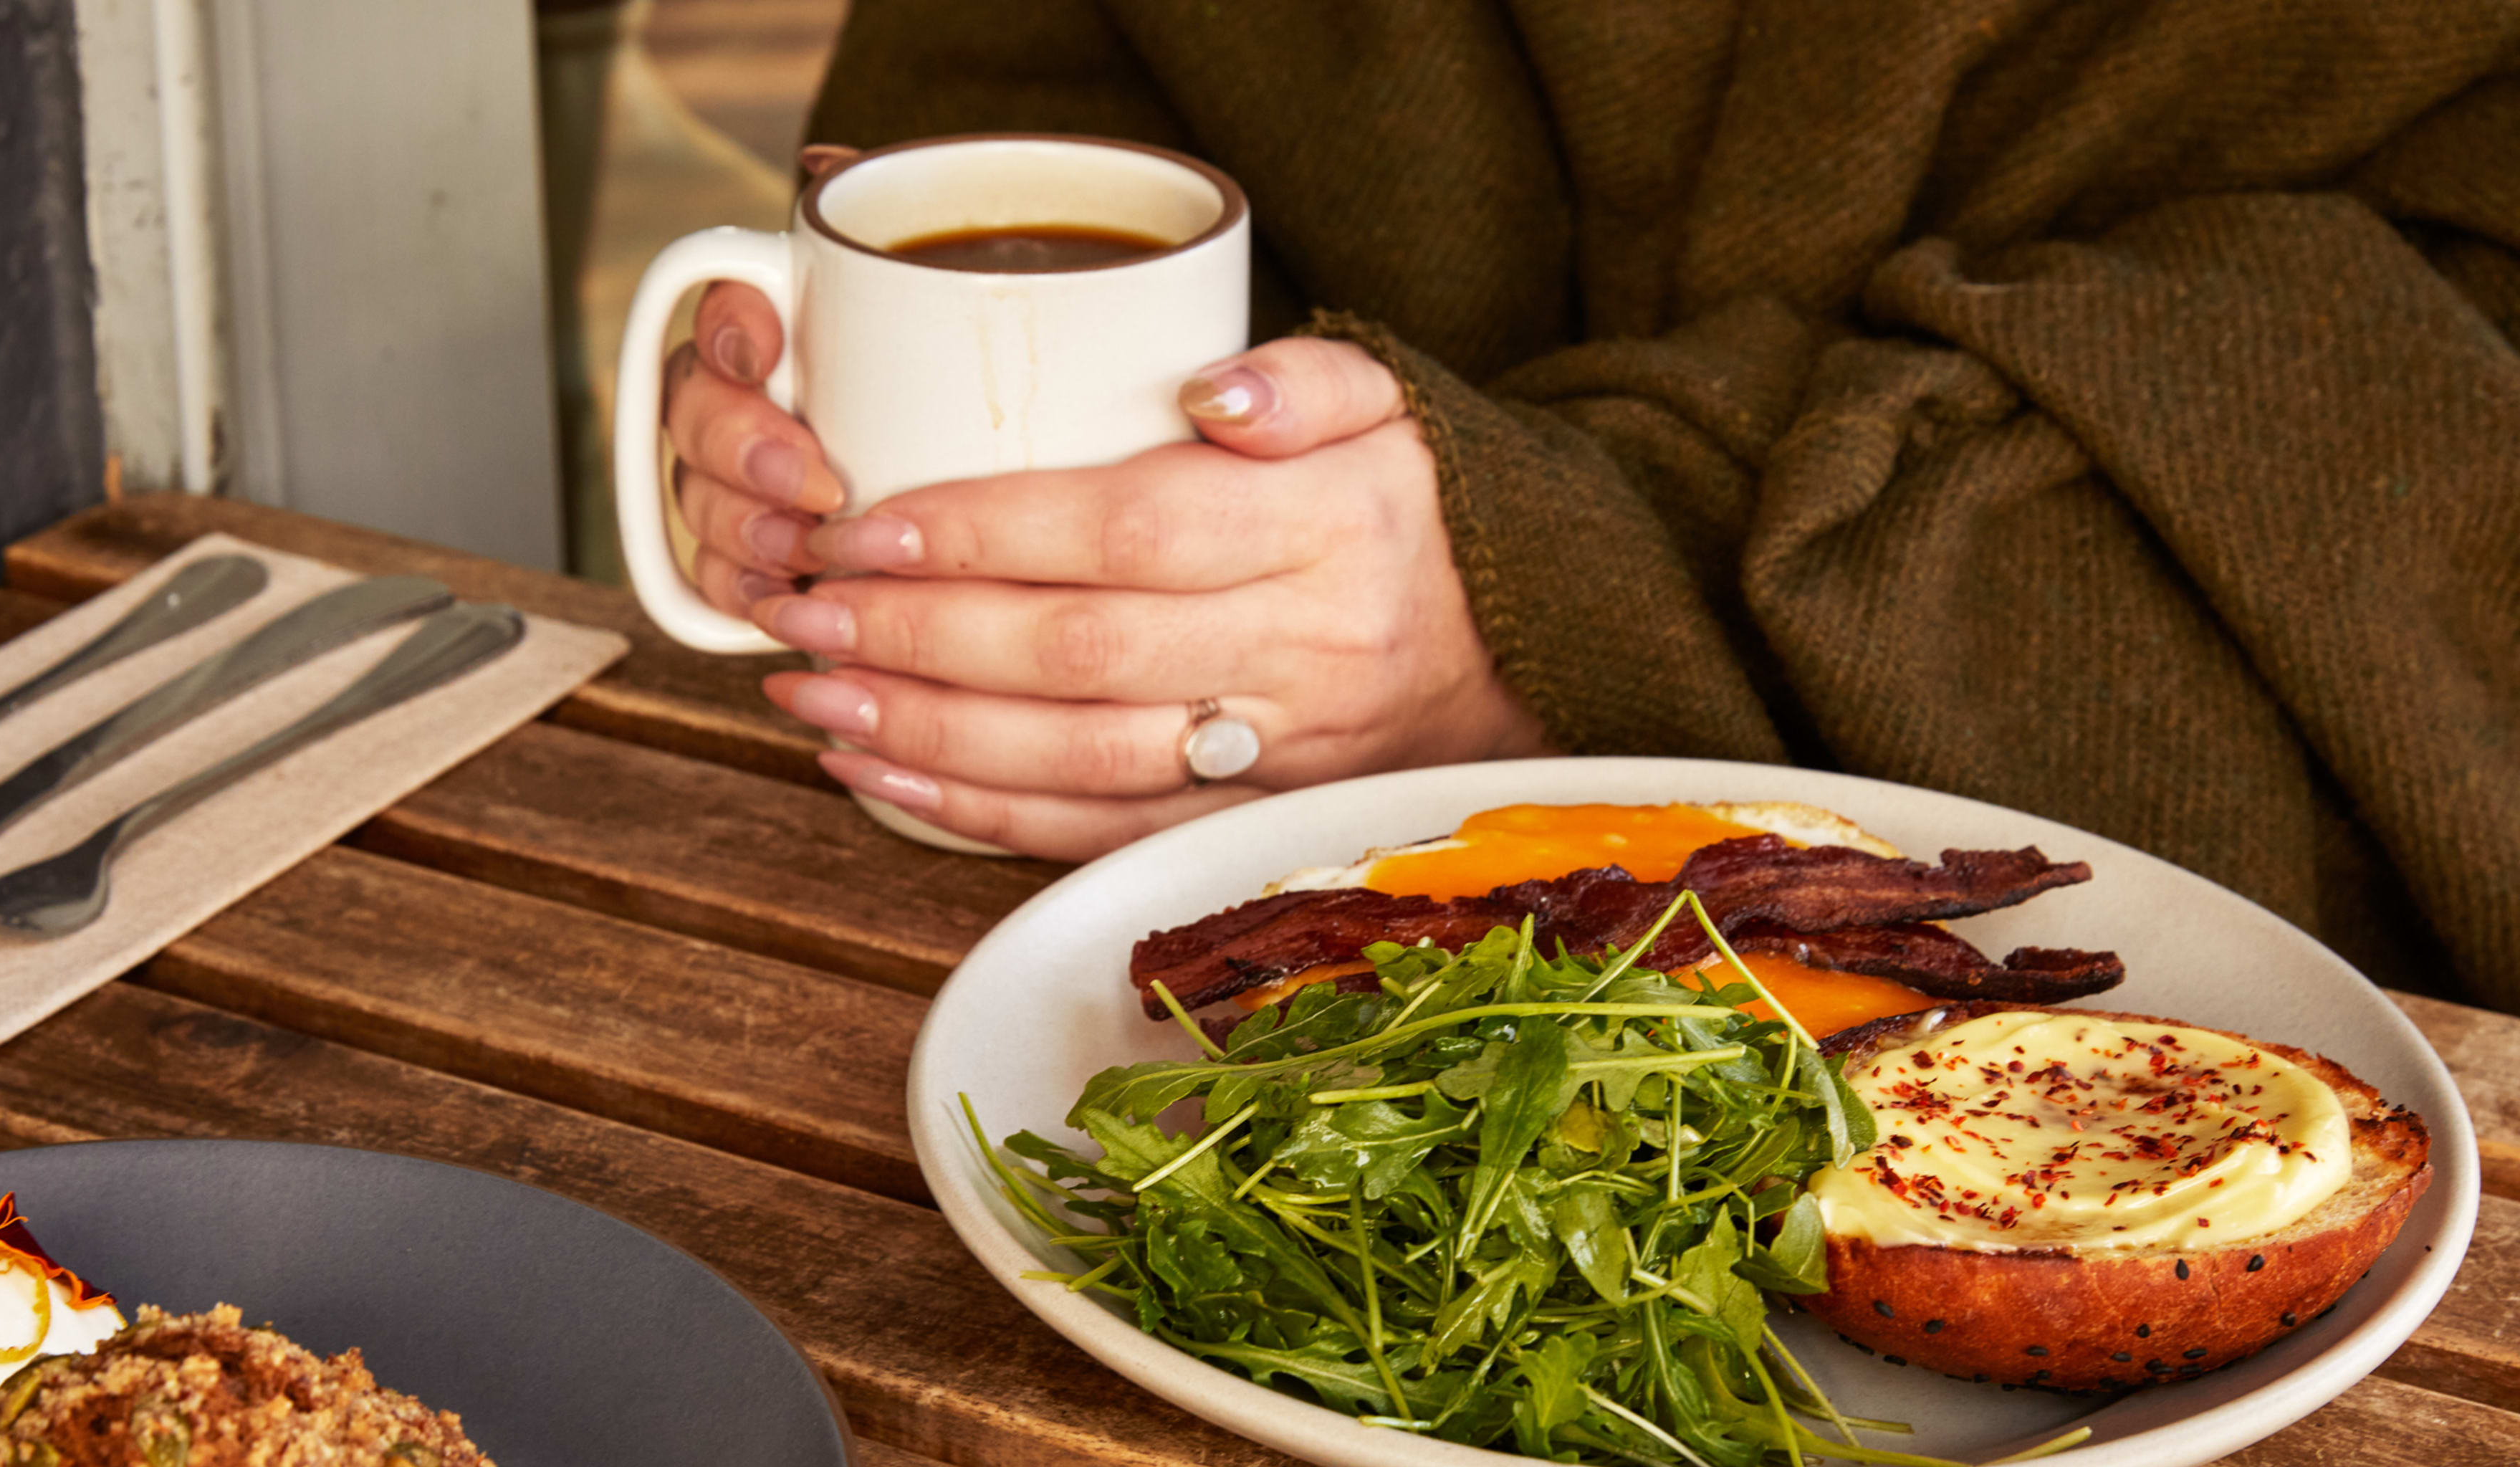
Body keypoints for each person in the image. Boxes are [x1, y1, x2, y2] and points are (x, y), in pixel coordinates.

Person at [660, 0, 2520, 1010]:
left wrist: (1576, 586)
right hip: (1183, 968)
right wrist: (848, 429)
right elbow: (1016, 106)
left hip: (2242, 1066)